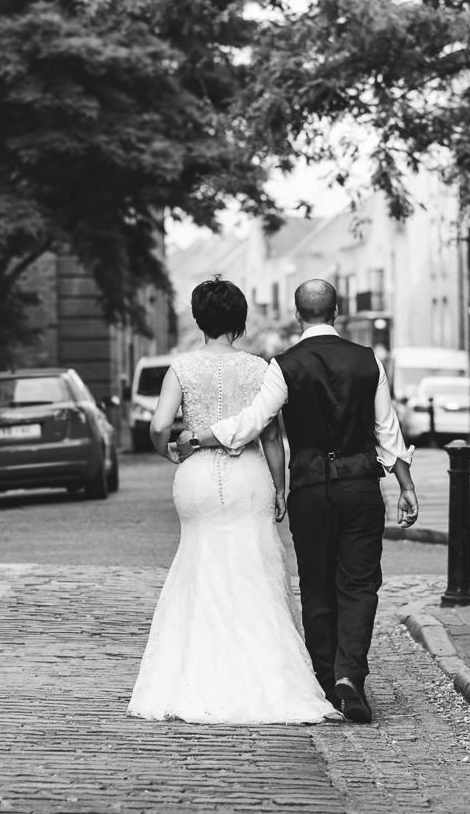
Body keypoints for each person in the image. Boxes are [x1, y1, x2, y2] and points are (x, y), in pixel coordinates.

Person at [181, 279, 419, 724]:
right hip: (361, 487)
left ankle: (328, 682)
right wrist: (405, 485)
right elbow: (388, 432)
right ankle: (352, 675)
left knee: (316, 586)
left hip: (311, 490)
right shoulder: (368, 361)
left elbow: (253, 422)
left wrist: (199, 437)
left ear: (297, 315)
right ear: (336, 312)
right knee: (360, 584)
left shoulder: (284, 365)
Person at [127, 278, 337, 725]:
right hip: (248, 476)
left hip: (198, 476)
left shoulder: (182, 368)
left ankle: (195, 678)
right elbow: (274, 435)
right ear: (240, 322)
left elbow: (160, 424)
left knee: (200, 562)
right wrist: (280, 487)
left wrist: (166, 452)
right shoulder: (259, 368)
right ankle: (267, 680)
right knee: (252, 568)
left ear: (199, 320)